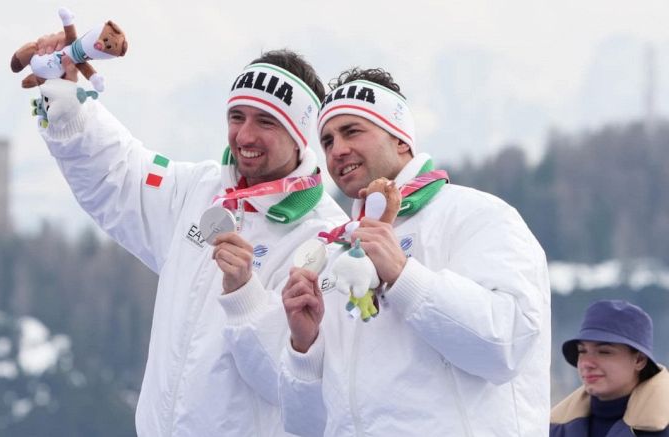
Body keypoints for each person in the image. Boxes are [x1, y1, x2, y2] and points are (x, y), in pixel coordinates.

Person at [30, 34, 347, 437]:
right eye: (237, 117)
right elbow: (118, 174)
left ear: (301, 135)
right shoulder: (198, 190)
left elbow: (302, 397)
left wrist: (244, 294)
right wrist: (62, 95)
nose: (245, 136)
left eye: (266, 121)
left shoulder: (327, 241)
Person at [277, 68, 551, 436]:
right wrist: (304, 346)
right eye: (327, 141)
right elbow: (306, 426)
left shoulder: (477, 215)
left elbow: (507, 346)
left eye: (352, 131)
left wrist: (404, 276)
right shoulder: (340, 252)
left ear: (401, 140)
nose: (337, 150)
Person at [550, 299, 669, 437]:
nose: (586, 363)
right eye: (582, 351)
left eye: (604, 352)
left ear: (639, 360)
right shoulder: (553, 429)